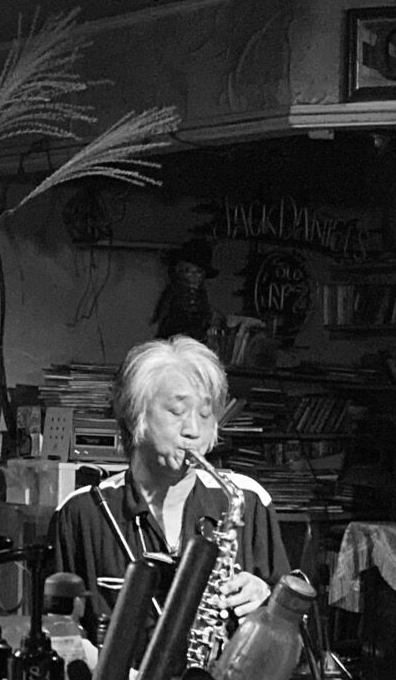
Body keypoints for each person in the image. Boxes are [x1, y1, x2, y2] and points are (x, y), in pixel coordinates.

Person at [47, 336, 290, 648]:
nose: (193, 430)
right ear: (134, 415)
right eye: (177, 412)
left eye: (205, 414)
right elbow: (56, 637)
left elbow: (291, 637)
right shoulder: (83, 512)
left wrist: (268, 604)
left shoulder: (249, 499)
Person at [151, 237, 223, 342]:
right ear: (179, 272)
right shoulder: (175, 296)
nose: (194, 276)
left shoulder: (201, 297)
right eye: (188, 271)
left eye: (199, 272)